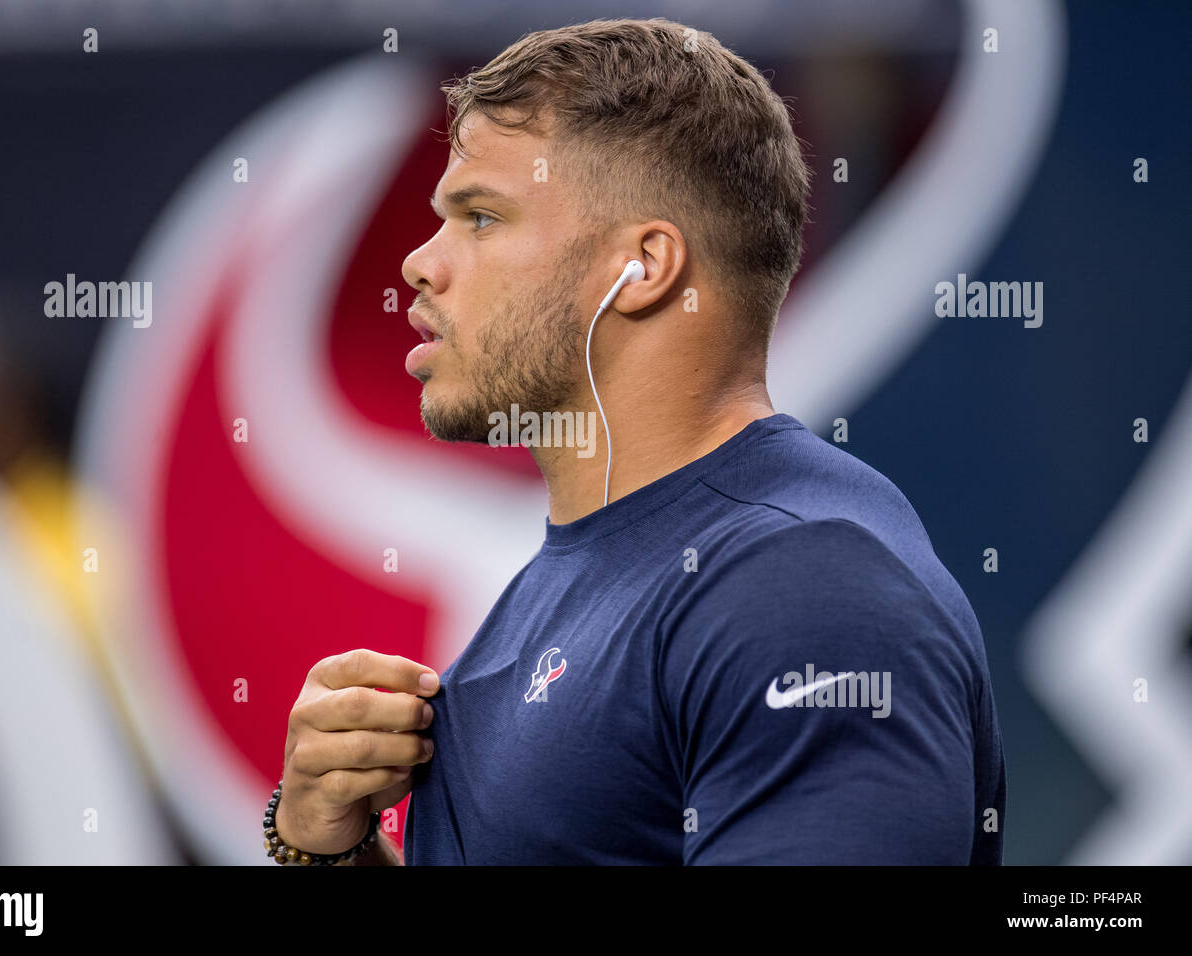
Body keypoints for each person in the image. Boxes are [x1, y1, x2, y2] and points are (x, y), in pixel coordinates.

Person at [273, 17, 1005, 866]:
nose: (420, 265)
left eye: (479, 217)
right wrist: (328, 849)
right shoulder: (582, 576)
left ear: (644, 266)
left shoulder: (805, 588)